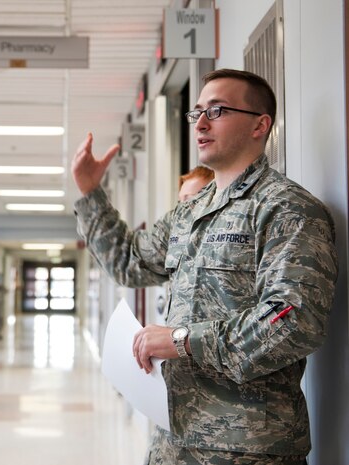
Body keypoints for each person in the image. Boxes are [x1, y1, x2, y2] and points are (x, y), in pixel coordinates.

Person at [71, 69, 338, 464]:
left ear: (259, 125)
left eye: (217, 110)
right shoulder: (191, 211)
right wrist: (92, 194)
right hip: (173, 438)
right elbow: (130, 261)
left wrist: (181, 340)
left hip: (246, 447)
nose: (201, 123)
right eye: (197, 113)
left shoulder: (287, 208)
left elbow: (294, 323)